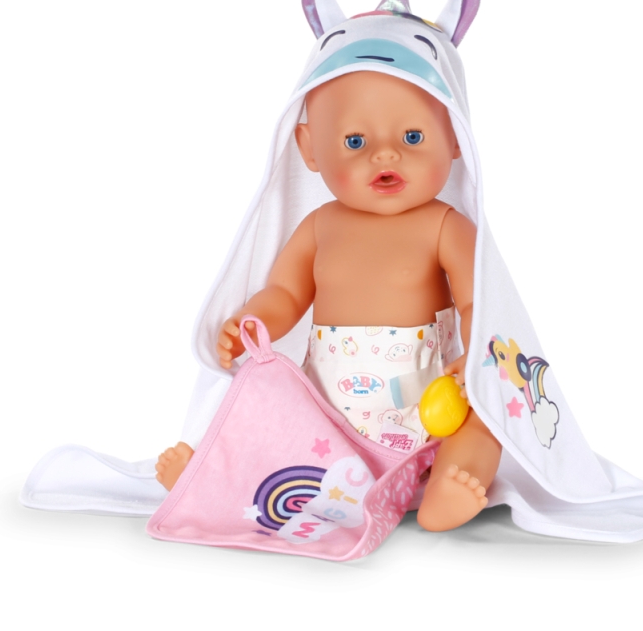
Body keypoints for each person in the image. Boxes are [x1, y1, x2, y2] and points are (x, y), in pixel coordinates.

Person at [154, 68, 500, 531]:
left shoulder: (447, 226)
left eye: (413, 137)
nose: (385, 153)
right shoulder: (320, 226)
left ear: (455, 138)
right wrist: (252, 322)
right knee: (261, 411)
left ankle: (448, 484)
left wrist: (475, 357)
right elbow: (285, 293)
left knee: (487, 419)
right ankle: (211, 478)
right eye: (355, 142)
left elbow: (478, 304)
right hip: (325, 412)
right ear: (310, 148)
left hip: (426, 403)